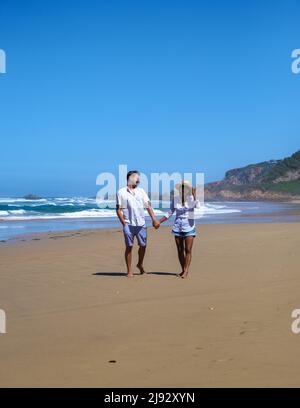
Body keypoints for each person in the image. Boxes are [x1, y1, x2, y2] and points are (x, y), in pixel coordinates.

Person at [116, 170, 160, 277]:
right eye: (137, 177)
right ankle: (129, 270)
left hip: (141, 224)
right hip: (128, 224)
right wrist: (124, 223)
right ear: (130, 178)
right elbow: (118, 209)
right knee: (129, 247)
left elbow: (148, 206)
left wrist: (154, 219)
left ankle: (140, 264)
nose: (139, 180)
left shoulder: (142, 191)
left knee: (143, 246)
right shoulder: (121, 192)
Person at [157, 180, 200, 279]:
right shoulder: (175, 199)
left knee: (187, 249)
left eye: (186, 188)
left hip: (189, 227)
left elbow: (197, 206)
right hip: (177, 227)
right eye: (182, 188)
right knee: (180, 250)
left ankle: (186, 270)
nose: (183, 190)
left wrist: (194, 195)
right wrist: (159, 221)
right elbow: (169, 213)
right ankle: (183, 269)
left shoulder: (191, 198)